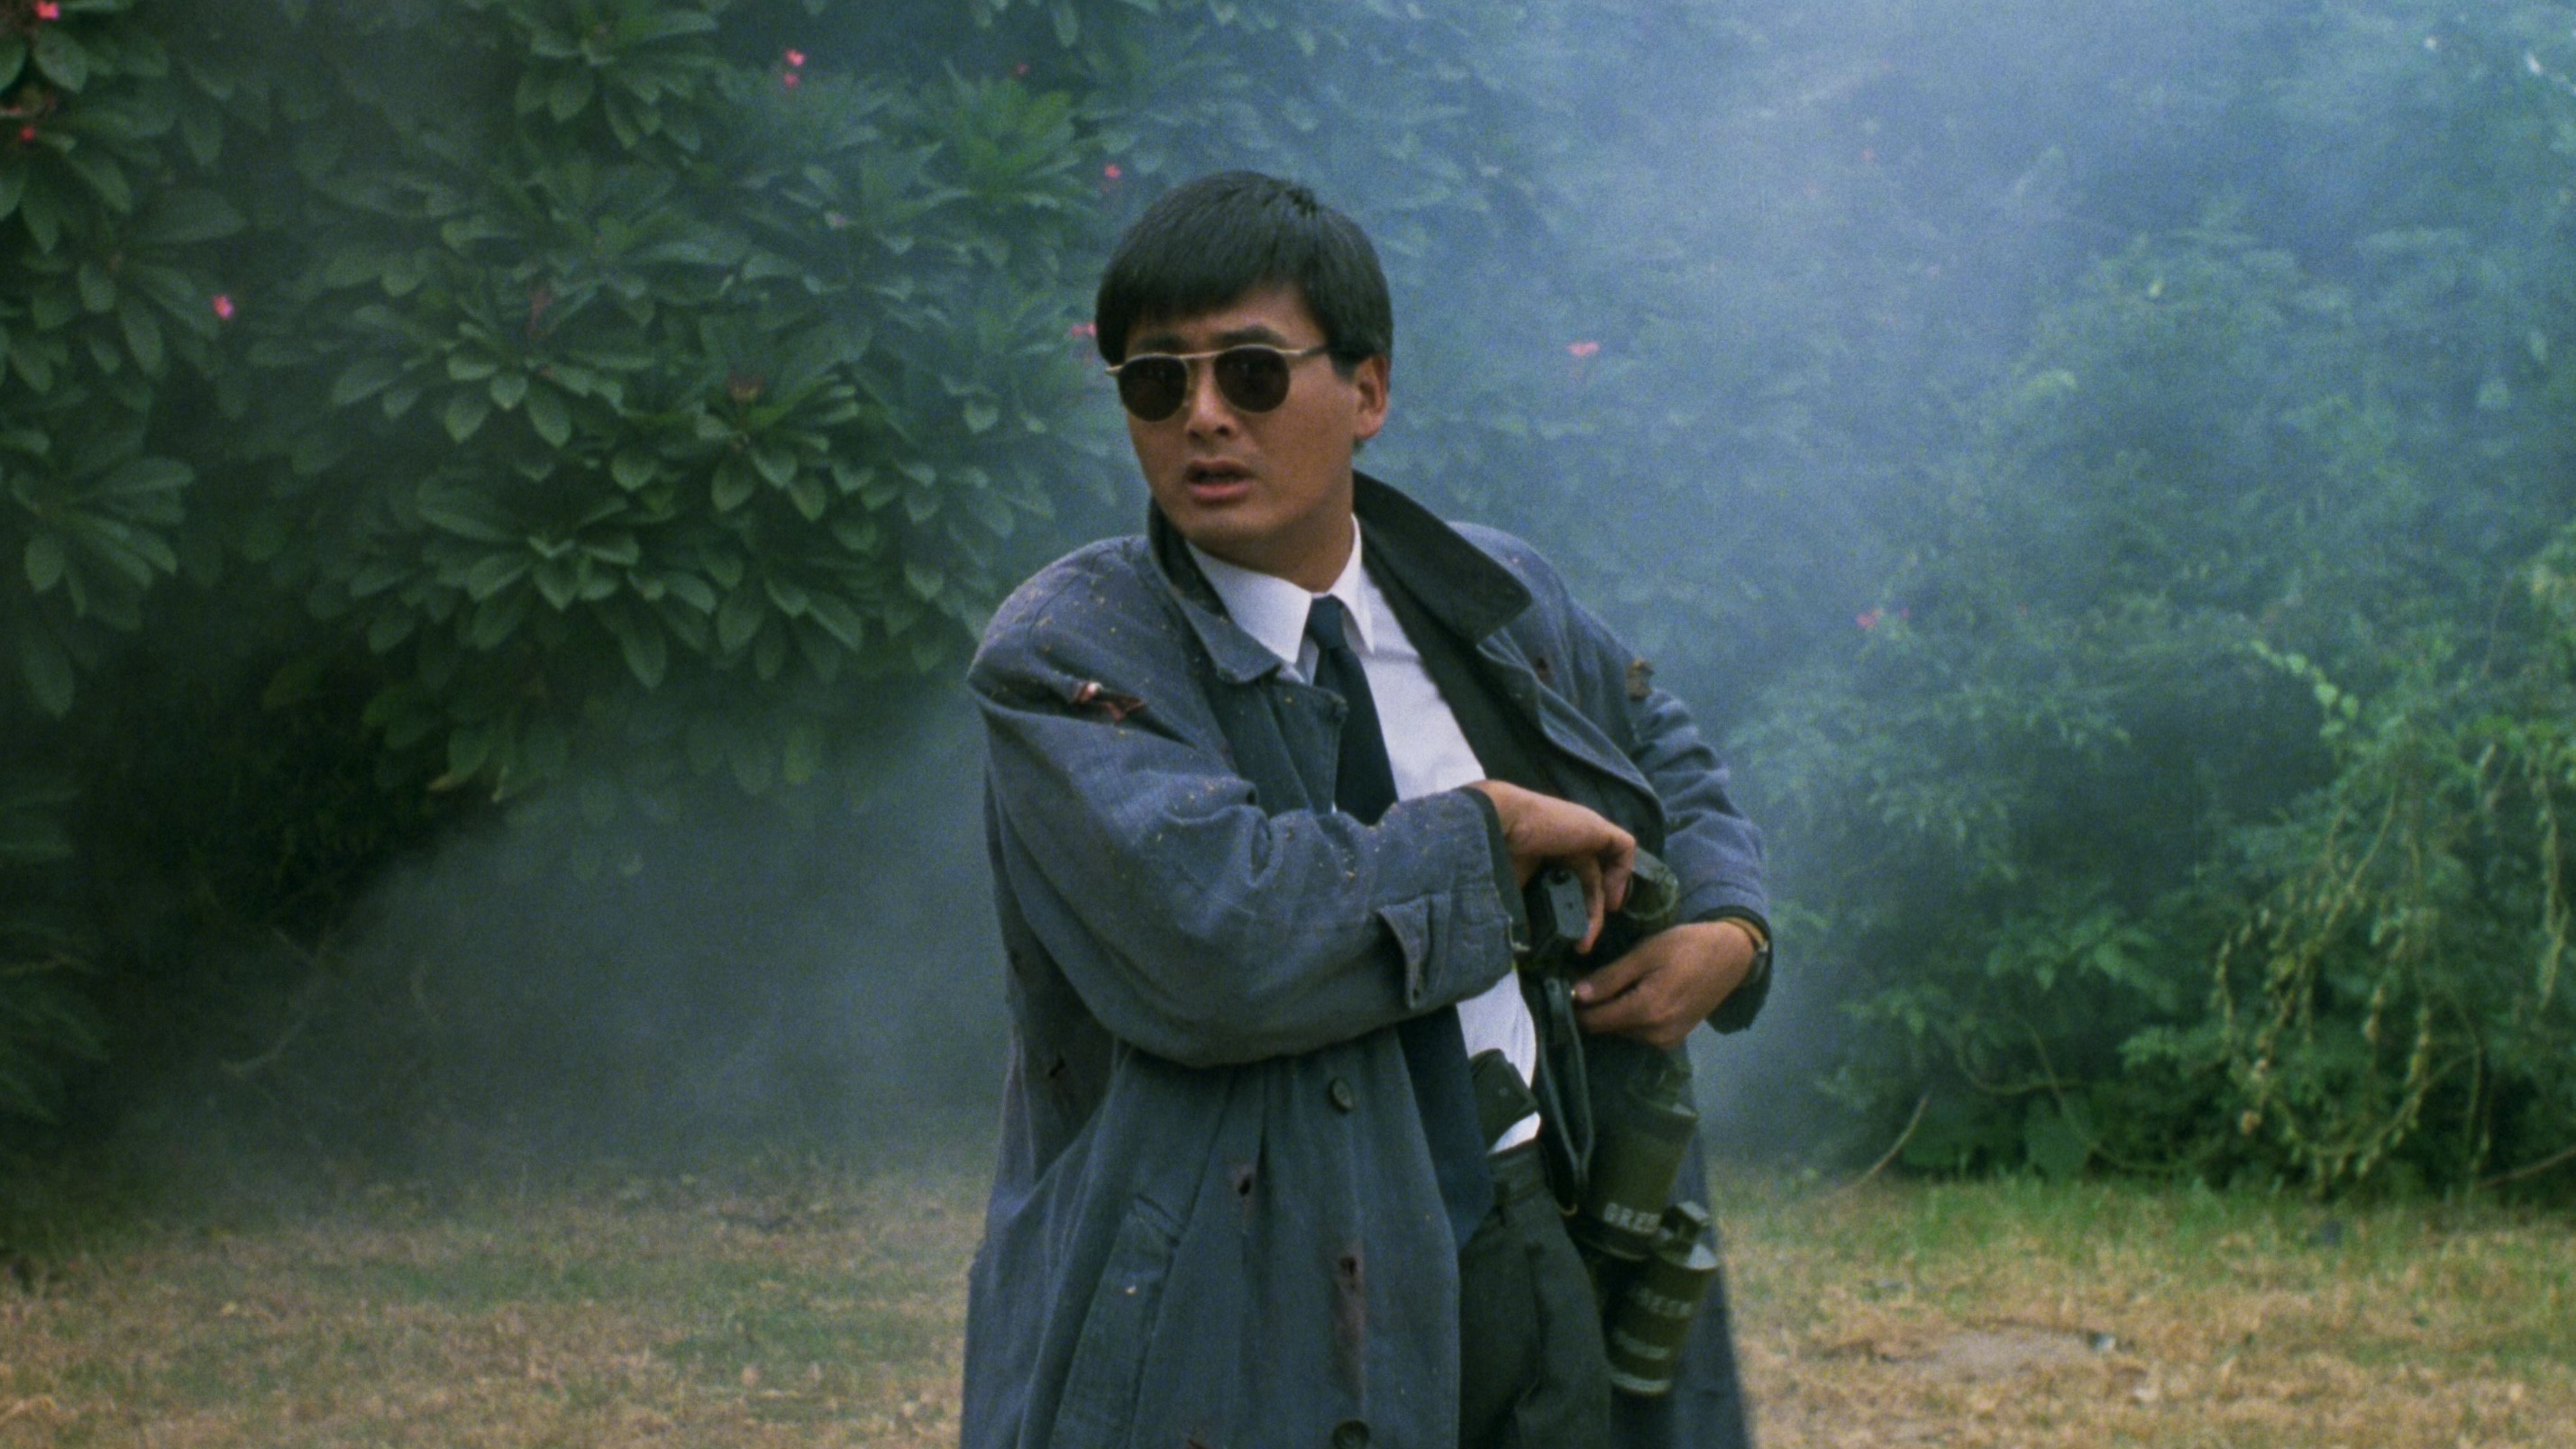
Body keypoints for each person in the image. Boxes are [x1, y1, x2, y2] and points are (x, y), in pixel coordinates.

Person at [962, 170, 1772, 1449]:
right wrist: (1484, 840)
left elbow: (1655, 743)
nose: (1203, 417)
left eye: (1251, 372)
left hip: (1533, 1220)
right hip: (1245, 1290)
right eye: (1156, 382)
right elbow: (1213, 941)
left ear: (1369, 391)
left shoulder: (1490, 591)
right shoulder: (1072, 650)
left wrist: (1728, 927)